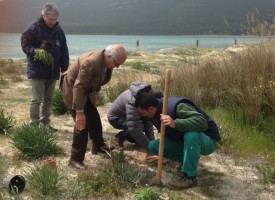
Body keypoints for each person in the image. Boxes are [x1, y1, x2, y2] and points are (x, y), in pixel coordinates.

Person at [135, 93, 221, 189]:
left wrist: (175, 123)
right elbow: (169, 136)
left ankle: (190, 177)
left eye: (143, 113)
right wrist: (163, 156)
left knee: (191, 134)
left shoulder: (177, 106)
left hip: (207, 140)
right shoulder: (154, 115)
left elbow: (202, 122)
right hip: (184, 141)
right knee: (154, 146)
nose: (143, 115)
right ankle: (187, 160)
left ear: (151, 109)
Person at [61, 44, 127, 169]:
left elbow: (97, 79)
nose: (117, 67)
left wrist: (95, 92)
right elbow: (78, 87)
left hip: (87, 89)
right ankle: (75, 159)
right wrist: (79, 112)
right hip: (73, 89)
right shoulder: (91, 63)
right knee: (82, 125)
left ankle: (98, 147)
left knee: (94, 118)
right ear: (109, 56)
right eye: (117, 64)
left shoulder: (107, 61)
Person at [21, 2, 69, 131]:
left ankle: (46, 124)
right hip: (38, 69)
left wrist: (65, 67)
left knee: (48, 99)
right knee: (36, 99)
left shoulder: (59, 30)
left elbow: (64, 49)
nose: (52, 22)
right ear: (44, 15)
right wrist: (36, 51)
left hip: (53, 71)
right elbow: (25, 44)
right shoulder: (33, 27)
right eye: (50, 19)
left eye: (55, 19)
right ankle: (34, 125)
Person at [107, 82, 163, 150]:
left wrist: (151, 142)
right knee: (139, 126)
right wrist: (149, 147)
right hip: (115, 118)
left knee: (141, 127)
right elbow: (134, 128)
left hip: (128, 116)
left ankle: (133, 138)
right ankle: (119, 137)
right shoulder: (133, 102)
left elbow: (148, 122)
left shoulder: (145, 98)